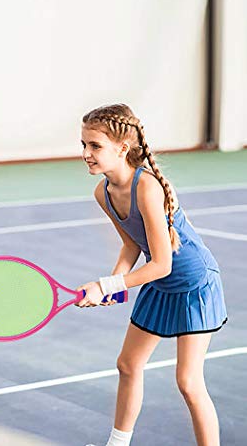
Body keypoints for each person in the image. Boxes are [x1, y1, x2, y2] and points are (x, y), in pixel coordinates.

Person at [76, 104, 227, 446]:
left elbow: (162, 263)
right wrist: (115, 281)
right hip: (160, 286)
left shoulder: (148, 188)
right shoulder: (103, 193)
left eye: (95, 146)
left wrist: (107, 285)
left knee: (188, 381)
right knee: (128, 365)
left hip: (194, 284)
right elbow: (132, 244)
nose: (86, 153)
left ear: (122, 148)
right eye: (83, 145)